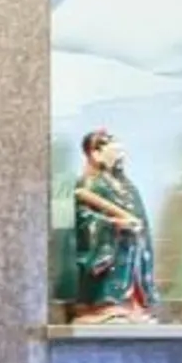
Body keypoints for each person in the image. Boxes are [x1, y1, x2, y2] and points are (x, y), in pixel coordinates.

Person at [67, 128, 157, 323]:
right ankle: (107, 305)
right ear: (96, 154)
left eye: (121, 152)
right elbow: (83, 218)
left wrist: (137, 228)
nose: (120, 156)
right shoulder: (90, 184)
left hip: (132, 244)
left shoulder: (128, 186)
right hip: (112, 247)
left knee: (132, 268)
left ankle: (133, 305)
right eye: (115, 151)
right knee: (113, 274)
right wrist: (112, 224)